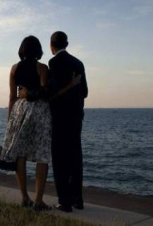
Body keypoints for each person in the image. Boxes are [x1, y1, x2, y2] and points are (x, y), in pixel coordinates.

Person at [0, 36, 53, 212]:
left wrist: (9, 119)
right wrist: (30, 93)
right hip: (39, 111)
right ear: (38, 50)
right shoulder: (42, 67)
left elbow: (12, 96)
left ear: (22, 50)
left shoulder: (14, 68)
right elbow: (45, 91)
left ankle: (24, 197)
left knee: (20, 154)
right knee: (42, 154)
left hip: (19, 110)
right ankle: (39, 200)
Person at [49, 31, 88, 213]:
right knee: (75, 156)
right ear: (67, 44)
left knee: (59, 158)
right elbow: (85, 92)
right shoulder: (78, 63)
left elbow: (52, 92)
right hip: (76, 116)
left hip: (59, 117)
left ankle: (64, 202)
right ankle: (77, 199)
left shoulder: (54, 63)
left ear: (52, 46)